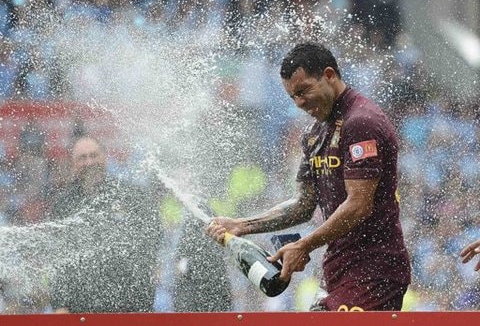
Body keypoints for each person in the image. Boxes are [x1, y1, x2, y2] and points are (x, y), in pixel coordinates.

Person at [207, 42, 411, 311]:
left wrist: (303, 245)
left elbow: (359, 205)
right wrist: (242, 225)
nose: (300, 103)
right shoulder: (314, 135)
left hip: (373, 272)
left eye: (303, 91)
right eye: (293, 97)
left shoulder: (362, 121)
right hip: (338, 271)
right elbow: (303, 205)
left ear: (329, 75)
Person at [48, 135, 164, 313]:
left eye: (94, 155)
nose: (89, 162)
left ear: (105, 156)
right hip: (82, 309)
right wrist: (60, 305)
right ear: (73, 163)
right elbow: (59, 260)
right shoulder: (63, 206)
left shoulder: (132, 195)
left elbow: (153, 240)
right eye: (82, 158)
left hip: (131, 305)